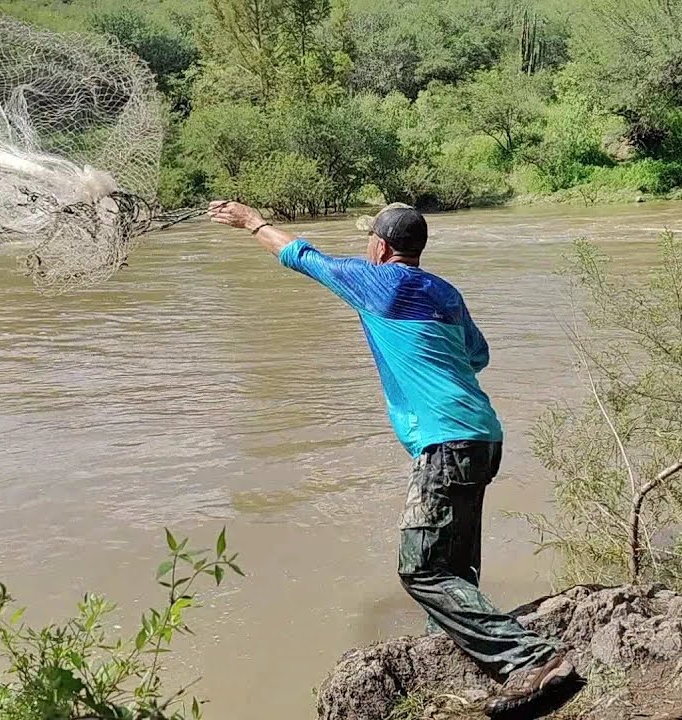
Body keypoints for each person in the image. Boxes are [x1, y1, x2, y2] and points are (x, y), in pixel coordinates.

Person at [207, 200, 578, 716]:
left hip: (445, 443)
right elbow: (478, 355)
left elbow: (300, 255)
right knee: (457, 563)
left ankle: (529, 660)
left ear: (379, 247)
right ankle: (451, 654)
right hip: (483, 436)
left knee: (422, 569)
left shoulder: (375, 281)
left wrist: (252, 223)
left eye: (369, 240)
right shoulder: (445, 291)